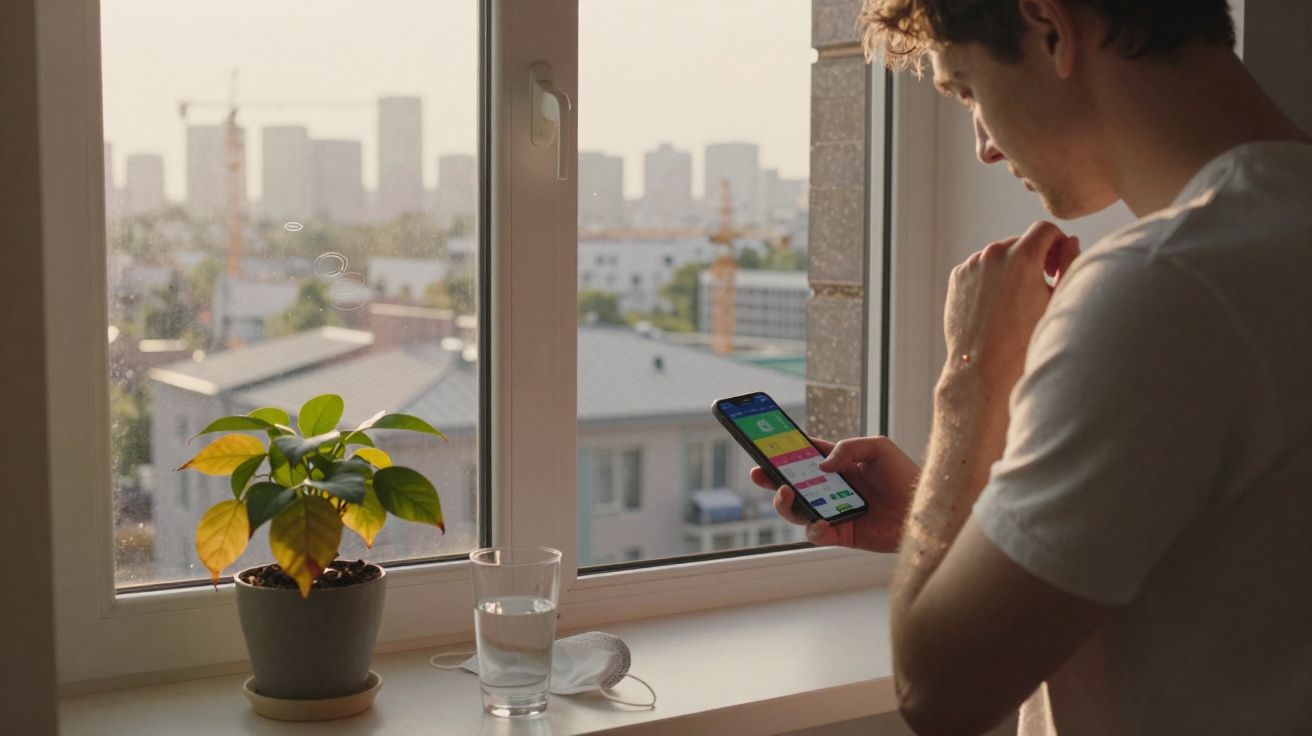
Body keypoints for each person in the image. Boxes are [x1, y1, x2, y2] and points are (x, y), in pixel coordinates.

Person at [752, 1, 1312, 733]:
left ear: (1050, 27)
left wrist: (971, 374)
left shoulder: (1164, 285)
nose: (983, 143)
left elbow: (937, 692)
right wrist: (949, 519)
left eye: (966, 88)